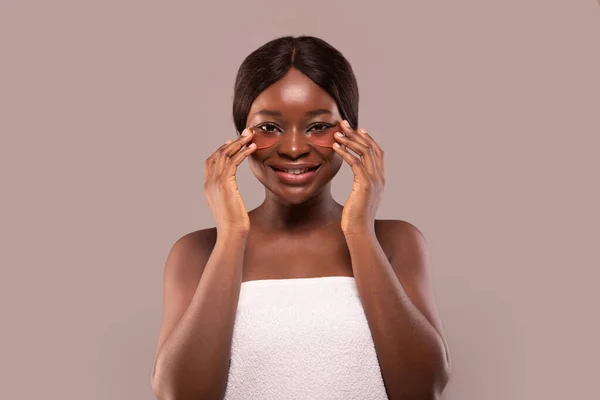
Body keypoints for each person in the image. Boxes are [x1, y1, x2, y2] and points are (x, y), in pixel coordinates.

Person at [150, 35, 451, 400]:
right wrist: (231, 235)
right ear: (239, 137)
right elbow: (181, 395)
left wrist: (359, 231)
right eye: (269, 127)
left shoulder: (395, 242)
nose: (294, 148)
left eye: (318, 126)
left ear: (352, 132)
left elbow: (422, 390)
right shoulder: (197, 251)